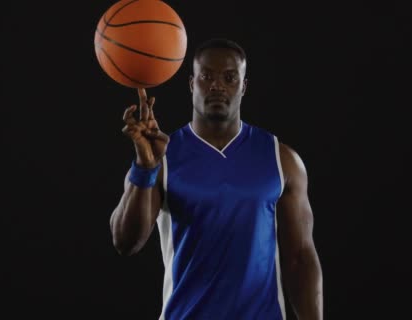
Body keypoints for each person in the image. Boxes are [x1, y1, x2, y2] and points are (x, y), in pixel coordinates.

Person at [109, 38, 323, 320]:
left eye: (230, 77)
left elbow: (300, 259)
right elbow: (126, 241)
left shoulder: (280, 158)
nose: (217, 85)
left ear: (243, 87)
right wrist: (145, 166)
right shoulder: (163, 154)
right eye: (206, 76)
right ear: (191, 84)